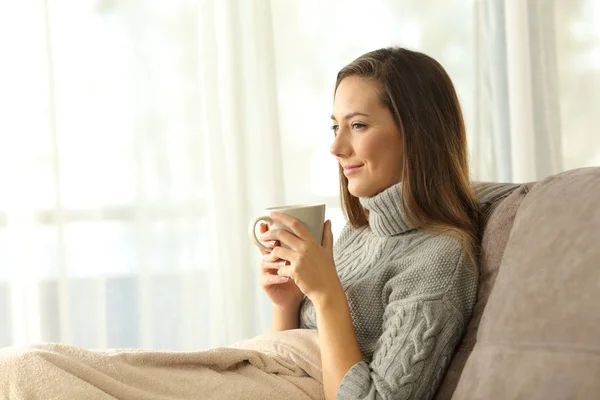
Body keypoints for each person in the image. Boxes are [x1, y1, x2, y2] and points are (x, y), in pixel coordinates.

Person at [257, 47, 479, 400]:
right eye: (335, 126)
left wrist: (327, 294)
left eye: (357, 125)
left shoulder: (440, 259)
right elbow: (284, 367)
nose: (336, 146)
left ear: (417, 132)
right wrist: (287, 304)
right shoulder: (358, 233)